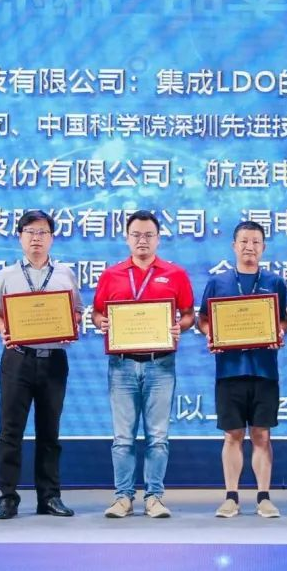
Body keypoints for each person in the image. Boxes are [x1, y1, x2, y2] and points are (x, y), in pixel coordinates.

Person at [92, 211, 195, 518]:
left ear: (158, 239)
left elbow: (189, 314)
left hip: (160, 364)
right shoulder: (111, 275)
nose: (142, 241)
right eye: (136, 235)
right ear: (127, 238)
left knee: (158, 438)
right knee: (123, 438)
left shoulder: (175, 274)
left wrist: (180, 326)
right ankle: (123, 497)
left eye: (148, 235)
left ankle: (154, 497)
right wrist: (101, 323)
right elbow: (97, 313)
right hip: (121, 365)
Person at [0, 210, 84, 520]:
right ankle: (8, 497)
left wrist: (71, 325)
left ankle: (49, 497)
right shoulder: (6, 275)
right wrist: (3, 329)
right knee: (10, 431)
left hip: (54, 360)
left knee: (49, 432)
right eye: (30, 232)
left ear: (52, 238)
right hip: (18, 359)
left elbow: (78, 312)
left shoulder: (65, 274)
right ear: (20, 237)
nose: (36, 238)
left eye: (42, 232)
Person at [196, 221, 287, 518]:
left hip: (264, 371)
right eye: (244, 241)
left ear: (263, 247)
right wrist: (211, 334)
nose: (250, 247)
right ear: (234, 246)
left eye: (255, 242)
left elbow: (284, 320)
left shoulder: (275, 282)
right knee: (232, 435)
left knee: (262, 435)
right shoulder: (218, 282)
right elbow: (203, 319)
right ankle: (231, 497)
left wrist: (279, 331)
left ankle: (264, 497)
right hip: (229, 371)